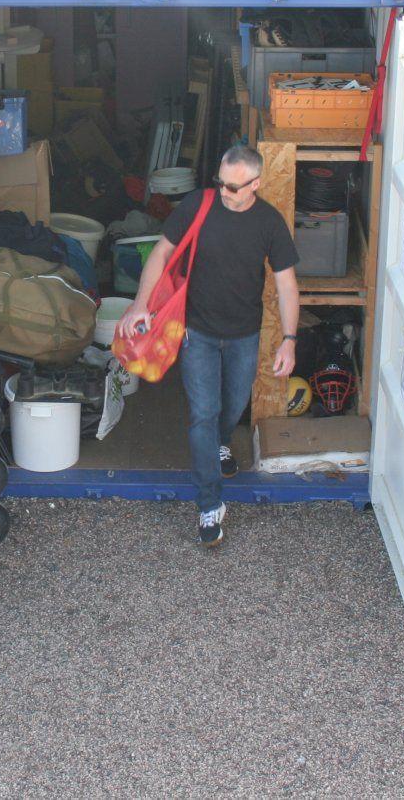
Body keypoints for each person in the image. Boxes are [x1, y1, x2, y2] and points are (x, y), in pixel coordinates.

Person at [117, 145, 299, 546]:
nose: (225, 192)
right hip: (195, 332)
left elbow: (286, 283)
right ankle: (209, 505)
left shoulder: (269, 222)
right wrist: (140, 305)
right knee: (203, 412)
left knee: (231, 407)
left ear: (255, 184)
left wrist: (289, 339)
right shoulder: (198, 205)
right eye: (221, 183)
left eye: (234, 187)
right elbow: (162, 251)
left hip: (244, 334)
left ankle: (220, 443)